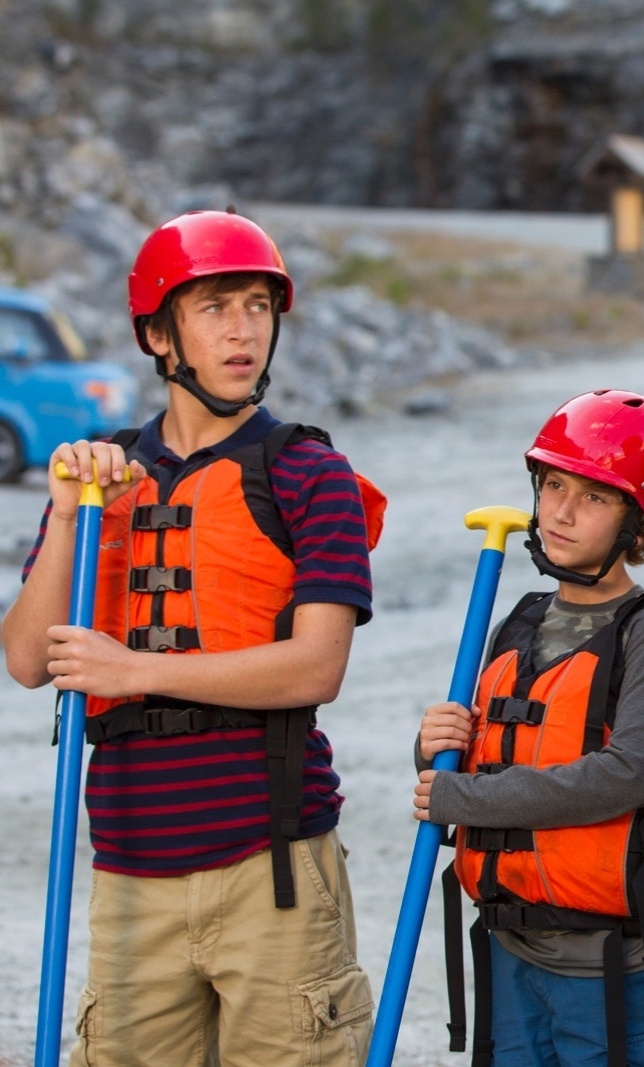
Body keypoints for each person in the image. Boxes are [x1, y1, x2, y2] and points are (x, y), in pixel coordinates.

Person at [1, 209, 379, 1064]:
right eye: (215, 307)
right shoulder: (98, 475)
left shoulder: (309, 473)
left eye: (257, 305)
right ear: (159, 336)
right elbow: (26, 658)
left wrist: (135, 668)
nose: (243, 328)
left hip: (272, 863)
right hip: (130, 866)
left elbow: (317, 665)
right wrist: (65, 516)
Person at [415, 388, 644, 1067]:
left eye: (594, 497)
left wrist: (465, 799)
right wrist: (433, 746)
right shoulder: (517, 618)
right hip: (512, 954)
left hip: (619, 971)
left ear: (640, 522)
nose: (561, 511)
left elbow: (626, 774)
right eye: (552, 485)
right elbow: (472, 759)